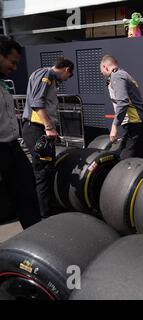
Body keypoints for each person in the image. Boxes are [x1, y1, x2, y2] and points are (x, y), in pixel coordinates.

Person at [21, 58, 74, 218]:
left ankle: (48, 207)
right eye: (69, 76)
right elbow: (37, 103)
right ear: (66, 70)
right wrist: (49, 127)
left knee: (47, 169)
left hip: (41, 129)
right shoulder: (47, 74)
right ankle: (45, 214)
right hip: (36, 128)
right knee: (43, 172)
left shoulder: (46, 76)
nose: (66, 79)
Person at [0, 36, 41, 228]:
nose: (15, 68)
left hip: (13, 148)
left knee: (27, 191)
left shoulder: (3, 84)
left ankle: (34, 239)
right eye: (12, 62)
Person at [100, 55, 143, 159]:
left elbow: (123, 102)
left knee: (125, 163)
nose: (101, 73)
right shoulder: (122, 74)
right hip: (135, 126)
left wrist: (114, 126)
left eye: (101, 70)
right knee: (125, 157)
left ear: (105, 67)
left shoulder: (117, 76)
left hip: (137, 126)